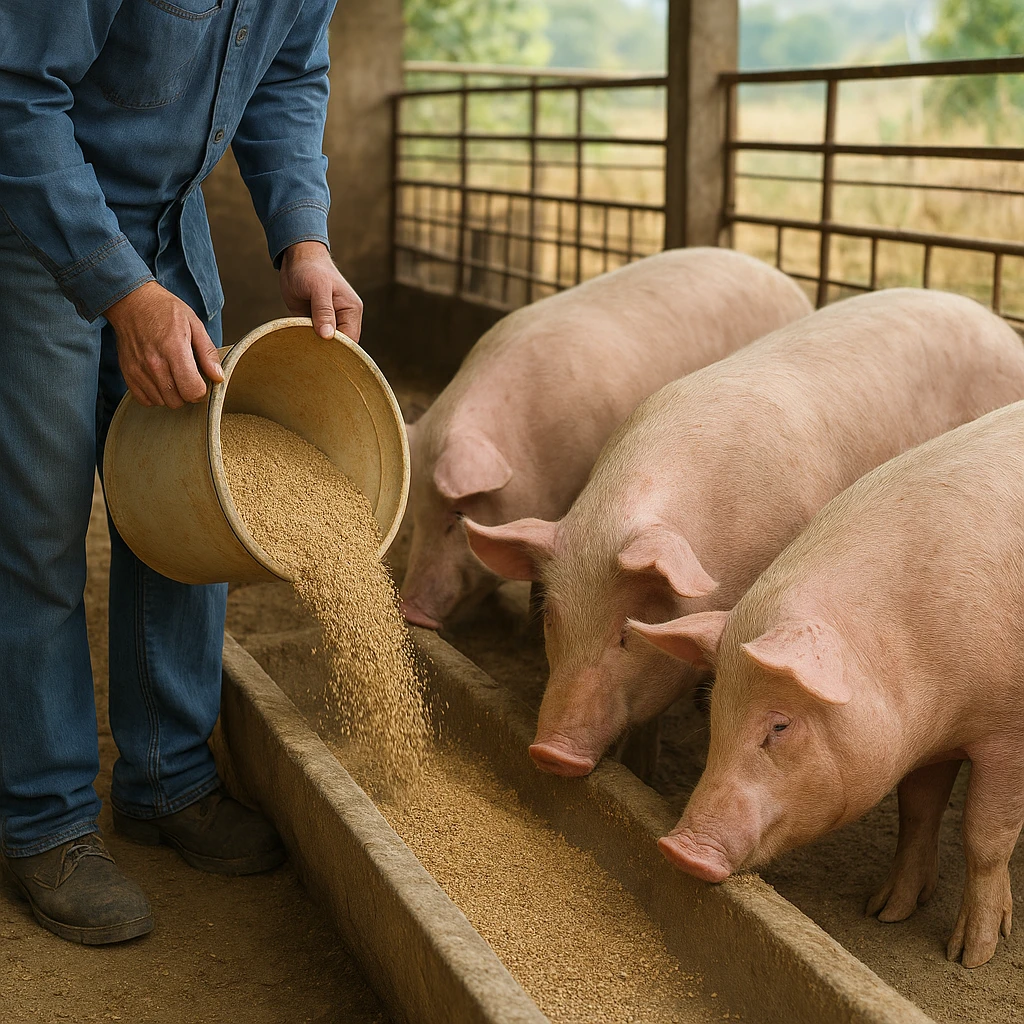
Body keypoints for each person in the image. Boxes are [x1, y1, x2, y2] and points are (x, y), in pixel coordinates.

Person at [0, 0, 362, 944]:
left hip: (170, 217)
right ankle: (45, 820)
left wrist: (305, 236)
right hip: (35, 217)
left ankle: (168, 777)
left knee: (189, 499)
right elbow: (13, 91)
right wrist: (121, 288)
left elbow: (288, 75)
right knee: (36, 527)